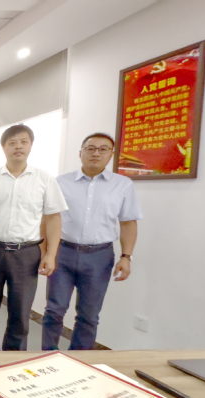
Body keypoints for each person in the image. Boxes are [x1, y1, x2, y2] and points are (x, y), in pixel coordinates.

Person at [41, 133, 142, 350]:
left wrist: (126, 257)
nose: (96, 153)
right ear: (81, 153)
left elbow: (128, 223)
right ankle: (48, 355)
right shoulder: (61, 182)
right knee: (54, 310)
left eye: (103, 149)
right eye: (90, 148)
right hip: (63, 253)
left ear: (111, 155)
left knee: (89, 315)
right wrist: (45, 252)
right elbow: (48, 219)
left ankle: (80, 358)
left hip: (100, 257)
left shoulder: (122, 185)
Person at [0, 124, 68, 352]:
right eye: (12, 143)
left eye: (24, 142)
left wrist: (51, 254)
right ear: (3, 148)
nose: (18, 147)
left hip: (27, 254)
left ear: (31, 146)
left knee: (21, 315)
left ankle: (12, 360)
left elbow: (54, 219)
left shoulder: (44, 179)